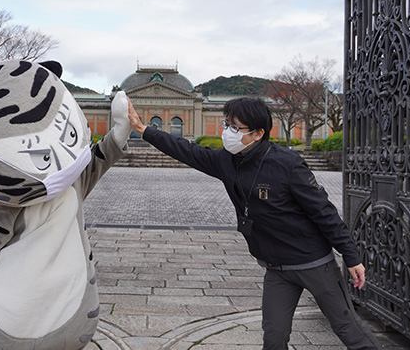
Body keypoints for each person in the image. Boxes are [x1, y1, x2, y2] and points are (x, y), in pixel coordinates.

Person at [127, 96, 381, 350]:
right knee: (273, 336)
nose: (228, 133)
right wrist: (142, 129)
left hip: (313, 263)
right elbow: (186, 150)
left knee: (348, 329)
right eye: (227, 125)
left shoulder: (287, 164)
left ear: (258, 133)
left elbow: (324, 212)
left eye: (236, 128)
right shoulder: (225, 160)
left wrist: (351, 256)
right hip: (276, 268)